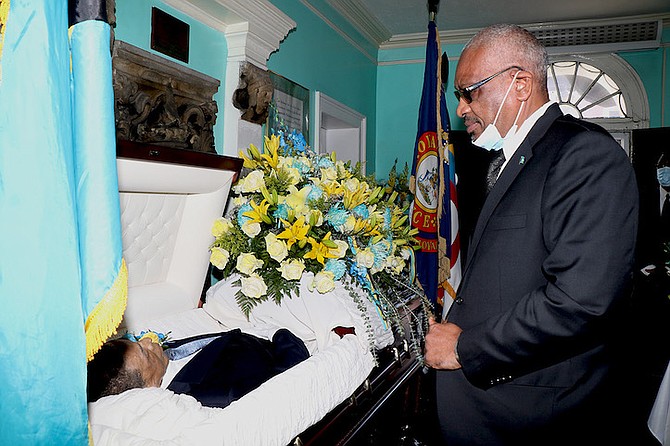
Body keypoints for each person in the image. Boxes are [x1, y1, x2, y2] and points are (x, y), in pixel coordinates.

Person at [423, 24, 639, 445]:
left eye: (470, 92)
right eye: (458, 96)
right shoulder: (514, 155)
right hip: (490, 408)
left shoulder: (583, 154)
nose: (462, 108)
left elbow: (581, 302)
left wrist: (465, 348)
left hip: (530, 415)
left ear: (519, 84)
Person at [87, 328, 310, 409]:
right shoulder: (214, 395)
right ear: (150, 386)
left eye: (137, 342)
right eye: (144, 352)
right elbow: (291, 372)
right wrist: (282, 335)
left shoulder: (164, 361)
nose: (147, 341)